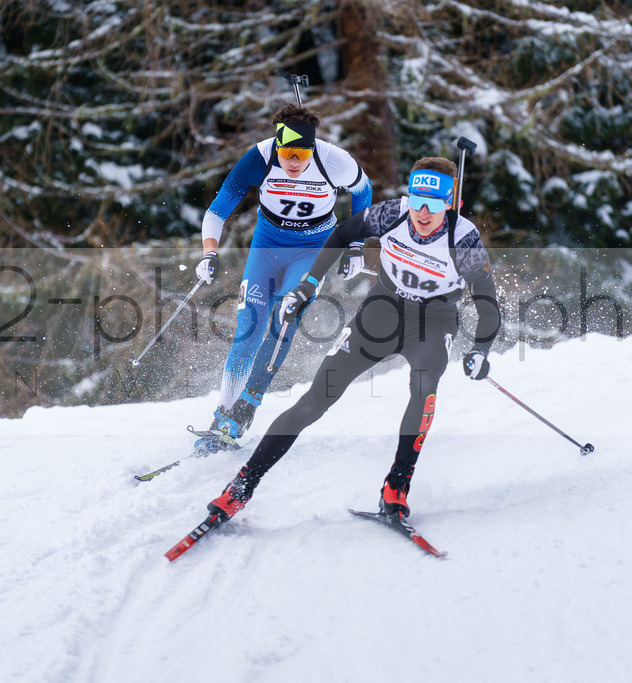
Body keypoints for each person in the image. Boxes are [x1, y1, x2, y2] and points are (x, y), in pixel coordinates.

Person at [200, 156, 502, 523]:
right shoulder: (390, 214)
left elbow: (488, 303)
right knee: (315, 400)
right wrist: (308, 284)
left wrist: (480, 350)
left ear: (451, 204)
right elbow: (342, 233)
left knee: (424, 386)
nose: (422, 212)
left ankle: (396, 487)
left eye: (434, 204)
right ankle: (241, 487)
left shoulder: (464, 240)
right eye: (417, 199)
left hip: (433, 323)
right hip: (381, 313)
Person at [193, 104, 373, 452]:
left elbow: (363, 192)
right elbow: (217, 210)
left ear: (312, 147)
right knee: (248, 329)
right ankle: (223, 416)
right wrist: (209, 252)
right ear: (276, 146)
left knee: (286, 316)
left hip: (314, 248)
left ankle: (246, 408)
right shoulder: (258, 158)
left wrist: (355, 245)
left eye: (301, 153)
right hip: (267, 246)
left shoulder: (335, 160)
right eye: (286, 153)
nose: (293, 161)